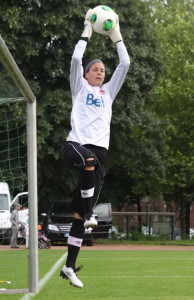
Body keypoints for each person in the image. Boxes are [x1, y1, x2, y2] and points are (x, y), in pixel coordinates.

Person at [60, 8, 130, 288]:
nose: (100, 72)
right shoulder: (80, 88)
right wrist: (87, 31)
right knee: (87, 160)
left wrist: (116, 36)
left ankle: (68, 266)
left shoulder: (108, 93)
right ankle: (86, 208)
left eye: (103, 70)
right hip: (76, 146)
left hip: (100, 155)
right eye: (96, 69)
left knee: (82, 215)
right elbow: (76, 58)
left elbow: (124, 64)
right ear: (86, 74)